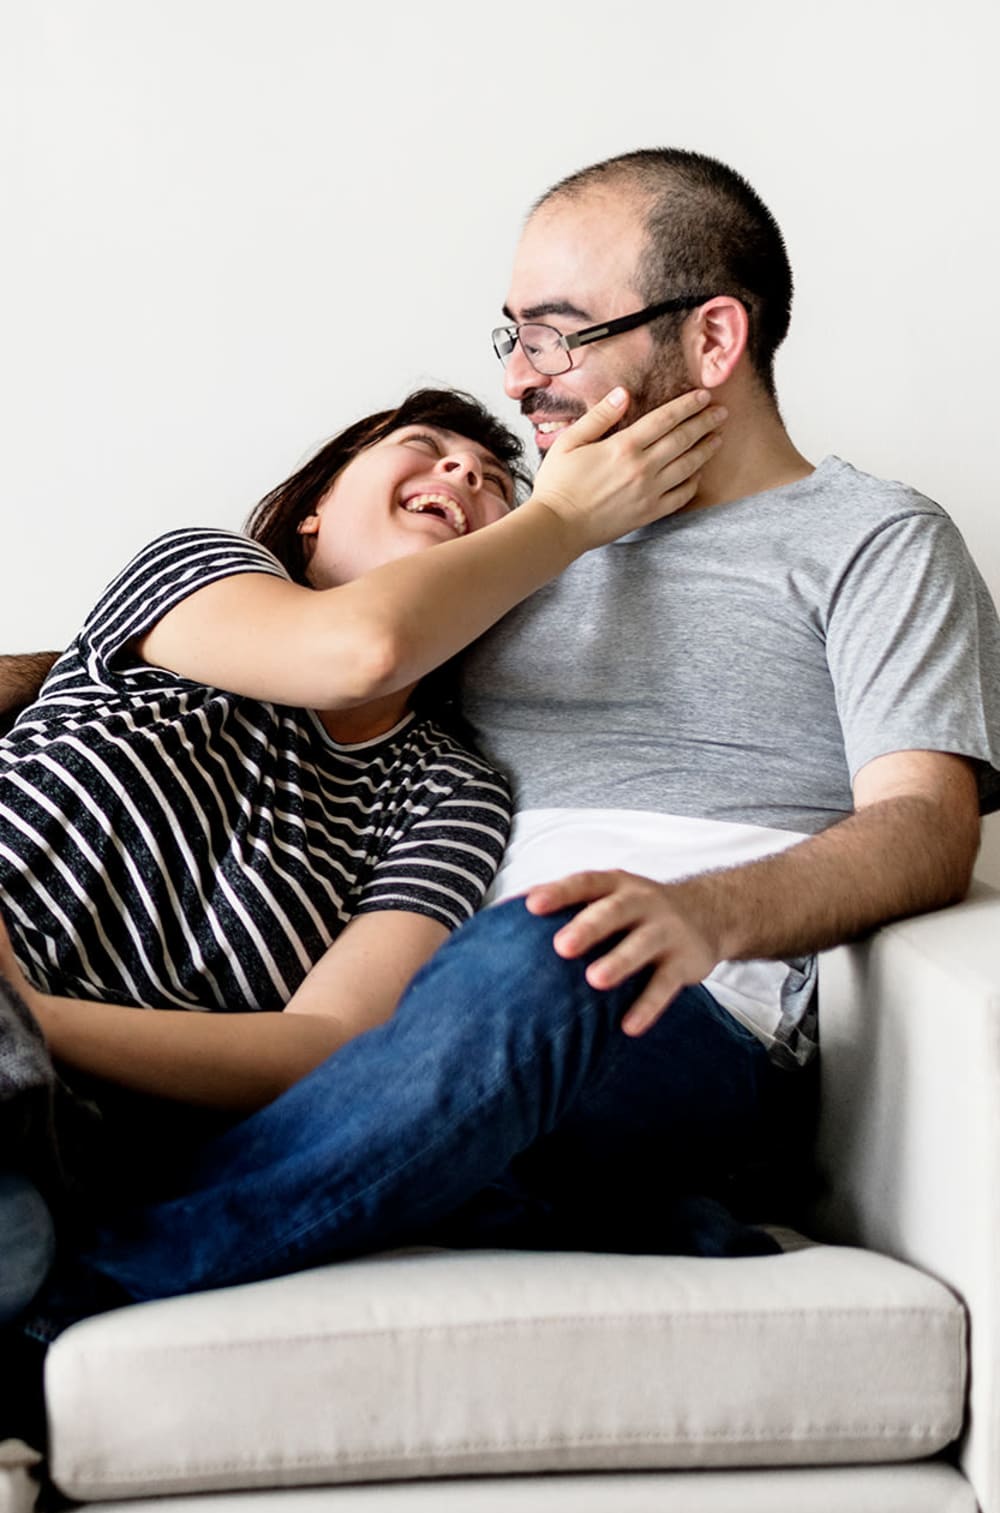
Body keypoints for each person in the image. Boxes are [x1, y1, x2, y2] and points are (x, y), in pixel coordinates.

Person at [3, 146, 999, 1330]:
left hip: (674, 1006)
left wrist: (699, 915)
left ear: (714, 340)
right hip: (423, 1026)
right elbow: (318, 648)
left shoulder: (871, 539)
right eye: (511, 335)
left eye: (556, 333)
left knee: (545, 948)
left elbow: (924, 831)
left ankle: (74, 1291)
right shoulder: (523, 549)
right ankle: (588, 1206)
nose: (523, 382)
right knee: (465, 999)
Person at [0, 377, 724, 1337]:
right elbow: (362, 647)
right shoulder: (190, 574)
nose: (465, 470)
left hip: (76, 1137)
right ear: (310, 514)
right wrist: (565, 515)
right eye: (423, 445)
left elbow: (329, 1047)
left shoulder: (452, 793)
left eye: (499, 486)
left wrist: (44, 1020)